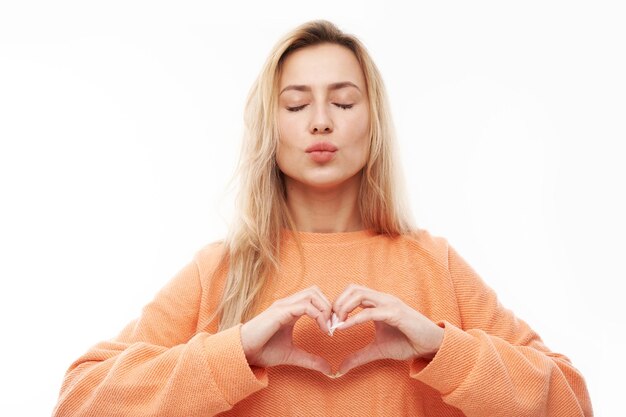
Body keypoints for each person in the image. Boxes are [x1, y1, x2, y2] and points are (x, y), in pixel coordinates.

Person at [52, 19, 593, 417]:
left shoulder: (436, 265)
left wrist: (439, 347)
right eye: (295, 105)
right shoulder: (219, 270)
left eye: (343, 101)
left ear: (373, 122)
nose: (319, 122)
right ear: (272, 127)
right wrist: (234, 352)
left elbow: (572, 400)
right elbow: (79, 401)